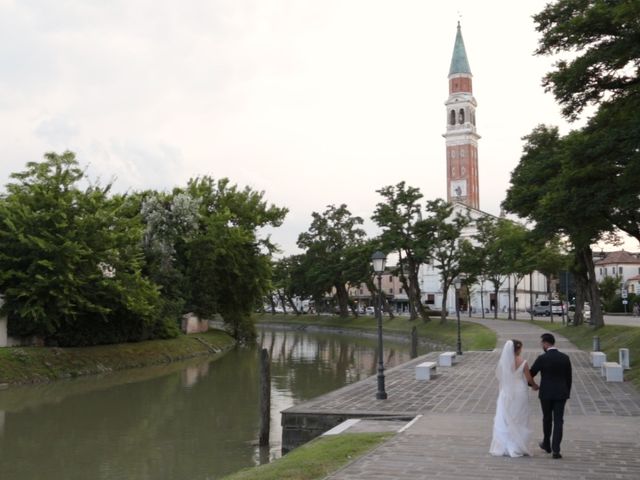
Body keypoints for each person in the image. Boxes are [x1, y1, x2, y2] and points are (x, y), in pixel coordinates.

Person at [489, 339, 539, 457]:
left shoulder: (504, 362)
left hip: (506, 391)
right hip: (520, 391)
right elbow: (528, 379)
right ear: (518, 349)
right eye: (521, 348)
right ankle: (517, 445)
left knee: (505, 417)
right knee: (519, 416)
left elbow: (500, 376)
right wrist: (535, 385)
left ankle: (504, 445)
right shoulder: (523, 362)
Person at [529, 332, 572, 459]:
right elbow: (569, 378)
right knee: (559, 420)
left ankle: (546, 444)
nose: (542, 345)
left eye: (542, 343)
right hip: (561, 394)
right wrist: (566, 393)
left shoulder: (542, 358)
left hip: (546, 393)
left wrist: (532, 385)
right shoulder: (565, 357)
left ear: (546, 343)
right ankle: (556, 449)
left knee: (547, 418)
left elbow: (531, 373)